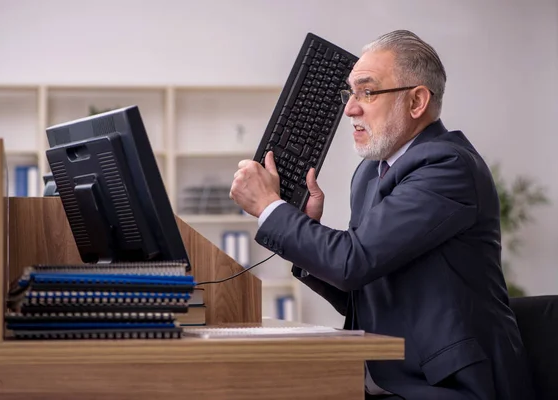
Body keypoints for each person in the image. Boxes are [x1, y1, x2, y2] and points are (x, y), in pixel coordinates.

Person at [229, 30, 535, 400]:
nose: (350, 108)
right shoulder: (370, 174)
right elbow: (363, 288)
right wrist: (305, 228)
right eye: (350, 93)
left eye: (367, 92)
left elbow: (353, 262)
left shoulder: (447, 167)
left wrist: (269, 207)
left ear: (417, 100)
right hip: (388, 380)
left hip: (447, 387)